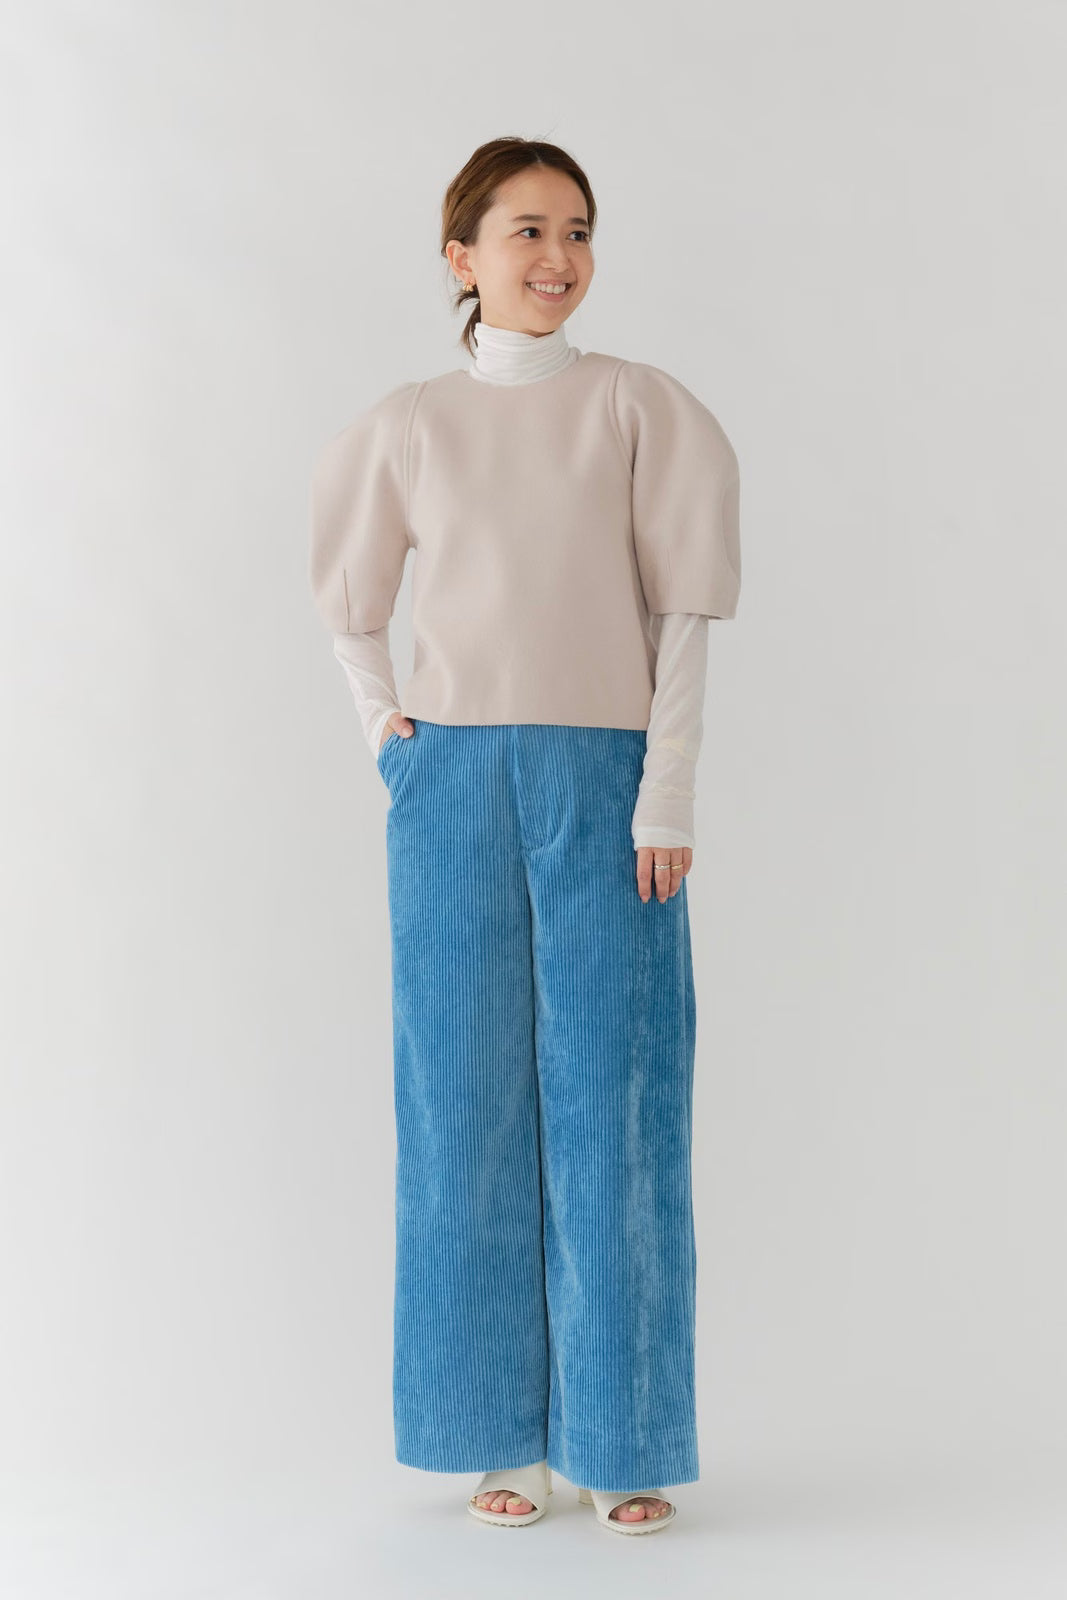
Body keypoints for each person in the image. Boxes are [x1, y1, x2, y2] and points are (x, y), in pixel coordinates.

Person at [307, 136, 741, 1537]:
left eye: (579, 231)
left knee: (619, 1102)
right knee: (463, 1108)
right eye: (528, 230)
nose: (559, 257)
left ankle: (621, 1438)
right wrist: (388, 735)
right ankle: (501, 1438)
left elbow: (683, 616)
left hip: (608, 782)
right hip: (451, 784)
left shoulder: (639, 406)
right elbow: (349, 603)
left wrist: (666, 791)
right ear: (463, 255)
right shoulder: (408, 423)